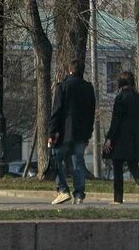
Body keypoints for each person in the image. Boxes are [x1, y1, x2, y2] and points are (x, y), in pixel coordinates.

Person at [47, 59, 97, 205]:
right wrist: (89, 131)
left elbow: (57, 111)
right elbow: (91, 112)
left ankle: (62, 190)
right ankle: (79, 194)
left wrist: (52, 132)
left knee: (56, 160)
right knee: (78, 163)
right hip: (81, 133)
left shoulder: (62, 87)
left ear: (70, 71)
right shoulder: (88, 88)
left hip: (63, 133)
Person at [103, 71, 139, 205]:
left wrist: (110, 138)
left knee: (117, 167)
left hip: (120, 138)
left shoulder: (120, 98)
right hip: (135, 137)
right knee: (134, 166)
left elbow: (116, 120)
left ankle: (118, 198)